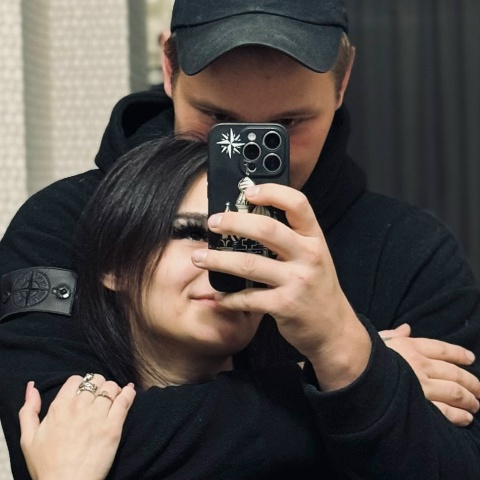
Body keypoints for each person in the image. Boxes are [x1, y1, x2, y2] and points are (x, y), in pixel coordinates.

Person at [1, 0, 480, 476]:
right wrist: (360, 380)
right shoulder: (68, 222)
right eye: (216, 119)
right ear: (169, 69)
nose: (248, 154)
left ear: (342, 83)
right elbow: (63, 448)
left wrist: (341, 340)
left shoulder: (411, 251)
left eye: (287, 125)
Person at [15, 136, 480, 479]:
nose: (227, 264)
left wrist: (357, 369)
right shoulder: (75, 423)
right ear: (114, 265)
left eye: (247, 244)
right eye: (191, 233)